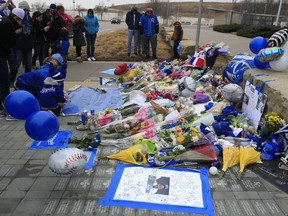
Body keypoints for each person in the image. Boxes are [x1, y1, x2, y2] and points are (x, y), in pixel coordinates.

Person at [0, 7, 24, 114]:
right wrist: (16, 34)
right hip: (1, 55)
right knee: (3, 81)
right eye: (20, 20)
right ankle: (6, 106)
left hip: (2, 55)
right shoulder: (7, 24)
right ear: (16, 18)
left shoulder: (5, 21)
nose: (20, 23)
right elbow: (6, 43)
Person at [9, 1, 34, 86]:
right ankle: (11, 80)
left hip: (28, 45)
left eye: (26, 10)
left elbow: (32, 32)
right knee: (17, 64)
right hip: (18, 45)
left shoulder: (30, 19)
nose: (26, 11)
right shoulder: (17, 19)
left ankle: (27, 80)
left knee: (29, 64)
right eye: (24, 10)